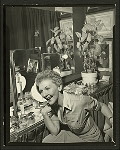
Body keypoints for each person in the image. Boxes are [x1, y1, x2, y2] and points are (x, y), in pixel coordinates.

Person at [32, 70, 113, 143]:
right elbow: (55, 131)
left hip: (92, 140)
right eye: (41, 91)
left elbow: (102, 106)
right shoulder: (53, 105)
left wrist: (111, 119)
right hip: (75, 136)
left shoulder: (79, 101)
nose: (44, 94)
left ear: (59, 87)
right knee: (47, 141)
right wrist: (44, 114)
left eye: (47, 88)